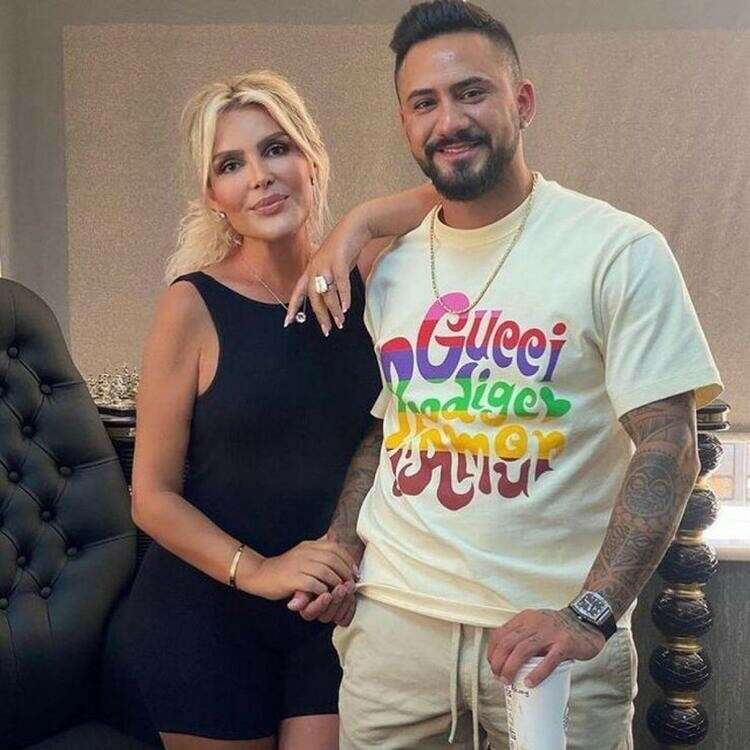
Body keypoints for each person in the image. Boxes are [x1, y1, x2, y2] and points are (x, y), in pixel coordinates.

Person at [287, 3, 723, 749]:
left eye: (472, 92)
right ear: (405, 123)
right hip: (394, 635)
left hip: (550, 640)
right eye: (425, 102)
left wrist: (590, 614)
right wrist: (342, 543)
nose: (449, 120)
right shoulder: (391, 269)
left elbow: (668, 445)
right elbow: (395, 424)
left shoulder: (617, 250)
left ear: (522, 102)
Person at [125, 70, 437, 750]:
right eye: (230, 165)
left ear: (311, 159)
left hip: (330, 609)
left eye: (276, 149)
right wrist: (261, 570)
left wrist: (355, 225)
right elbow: (151, 497)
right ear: (213, 197)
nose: (260, 176)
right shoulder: (191, 305)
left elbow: (466, 187)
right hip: (206, 612)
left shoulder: (371, 276)